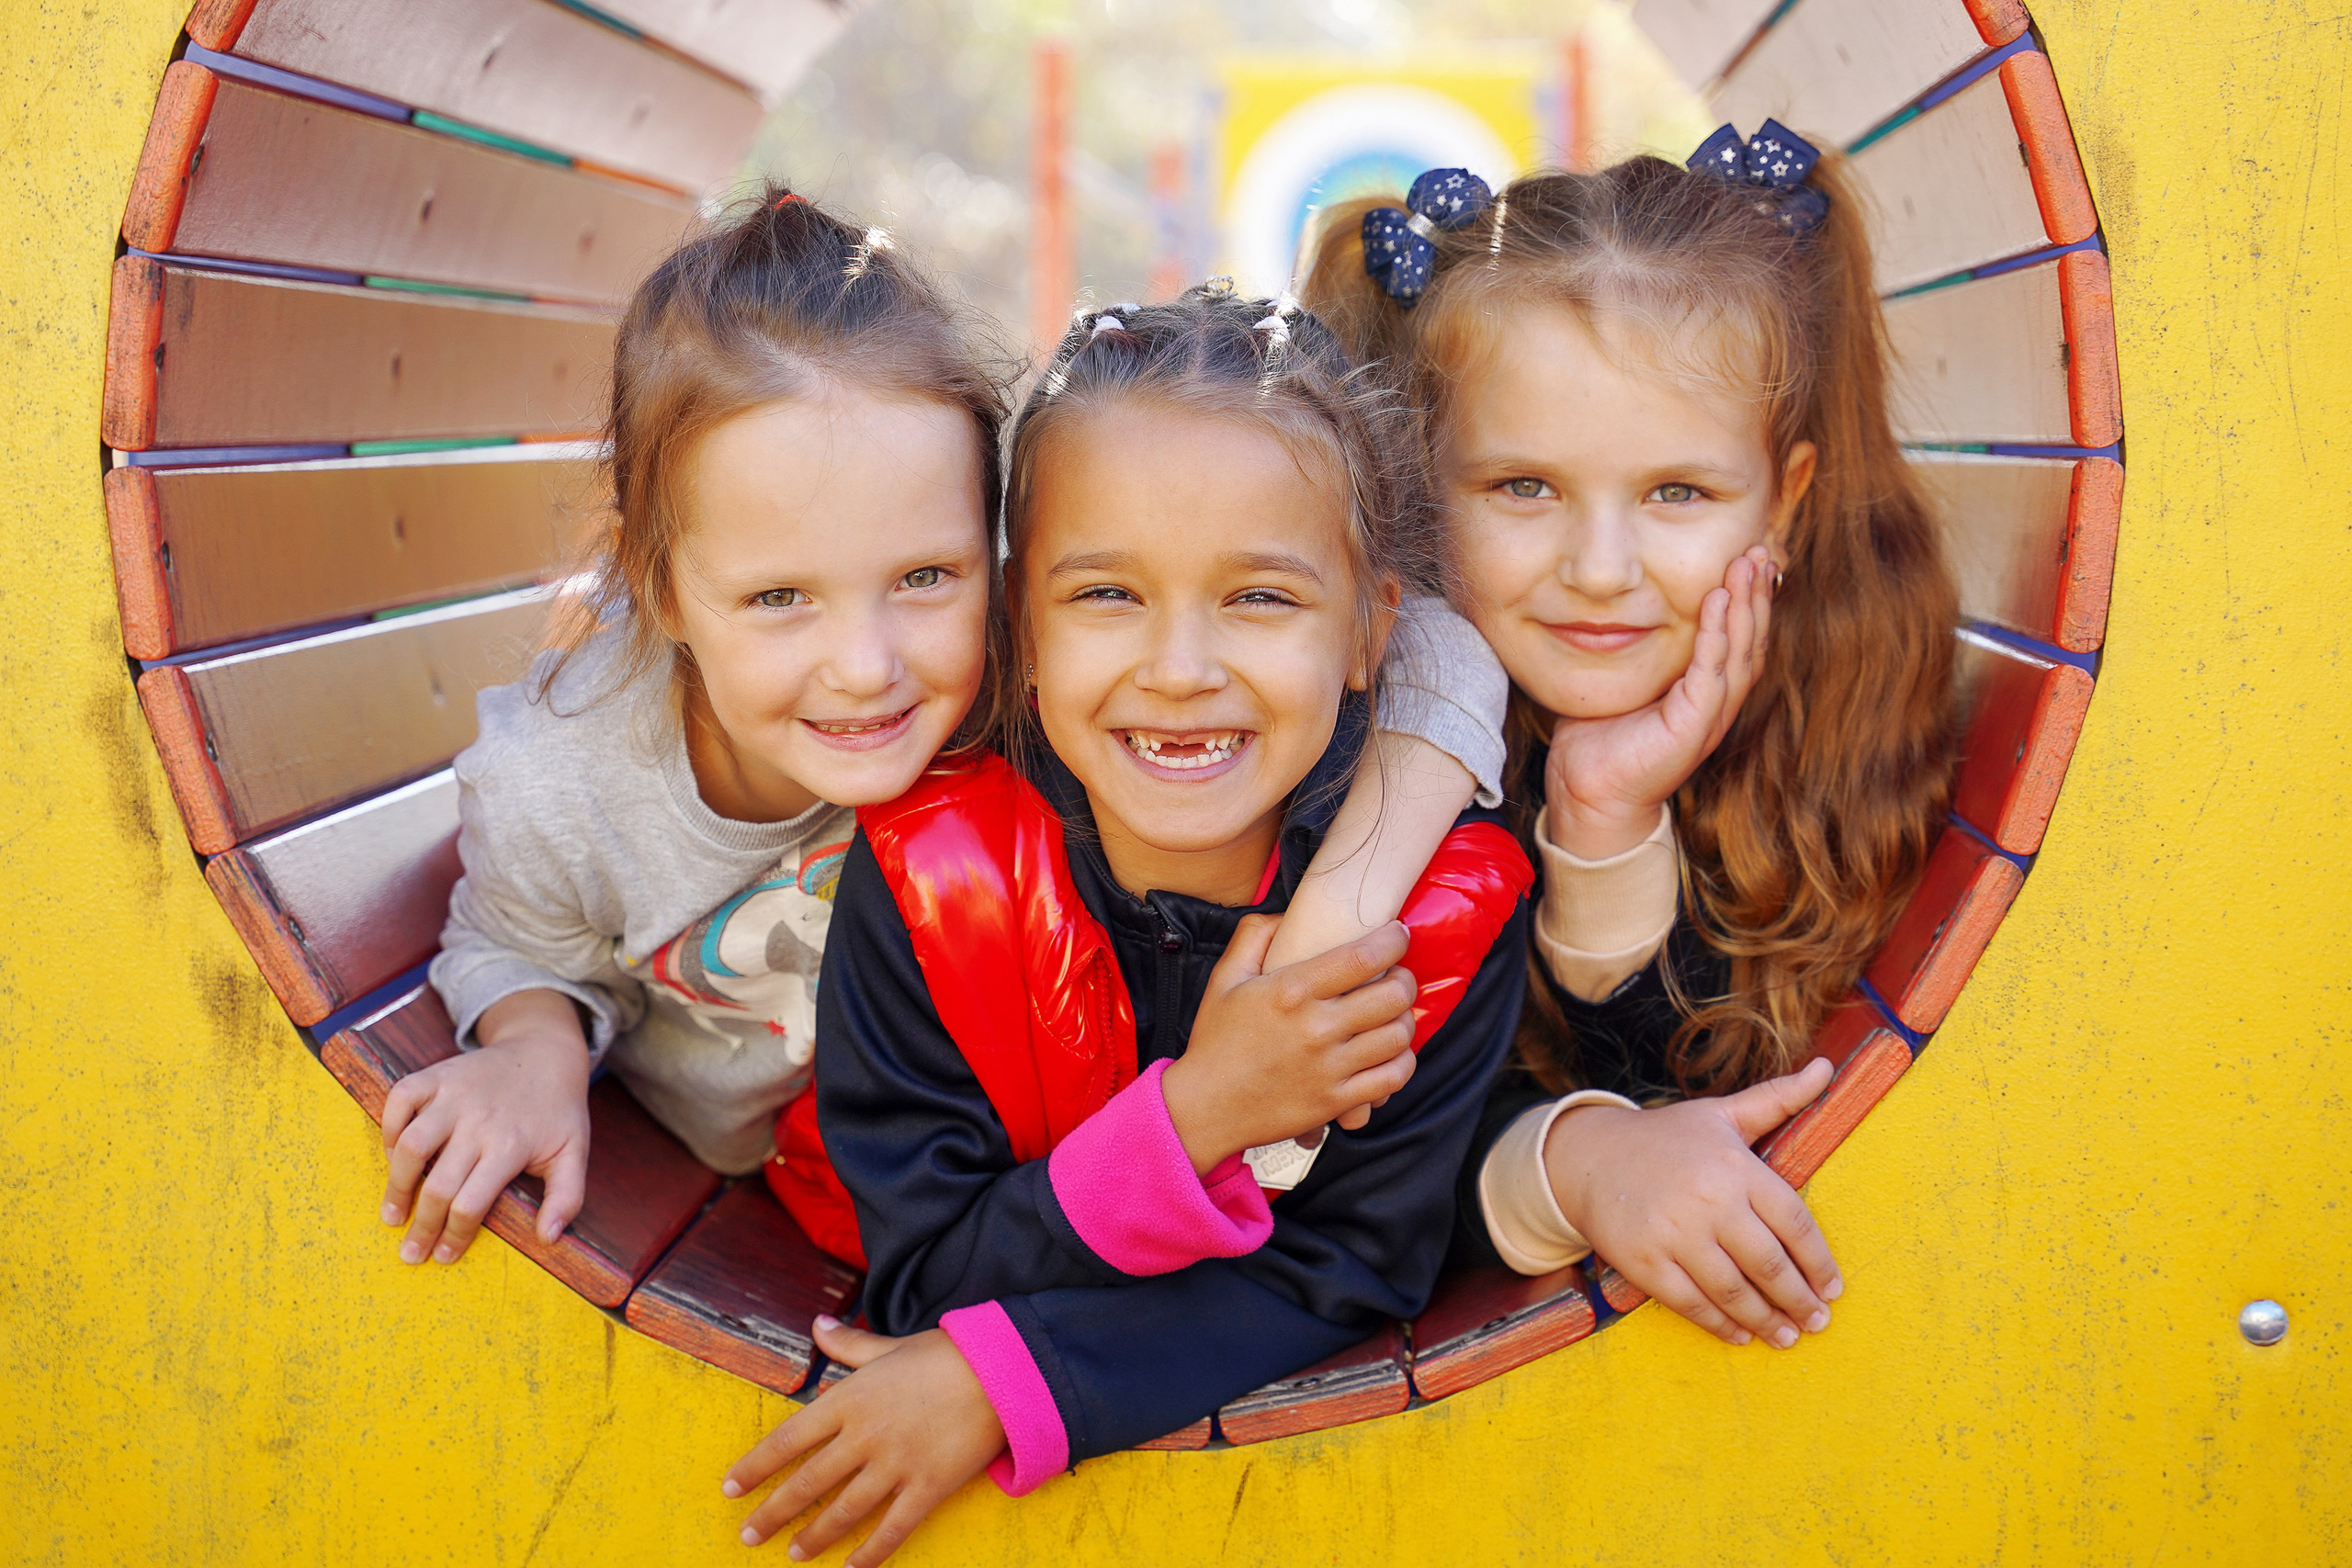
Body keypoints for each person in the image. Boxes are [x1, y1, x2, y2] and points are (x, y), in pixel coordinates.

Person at [379, 186, 1511, 1272]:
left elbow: (1431, 644)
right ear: (660, 587)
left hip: (956, 1157)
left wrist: (1342, 910)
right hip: (715, 1192)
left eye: (925, 575)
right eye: (779, 598)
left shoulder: (1023, 661)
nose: (868, 666)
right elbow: (510, 938)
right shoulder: (560, 777)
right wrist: (533, 1053)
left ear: (1000, 560)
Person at [723, 287, 1533, 1564]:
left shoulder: (1435, 916)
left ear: (1372, 628)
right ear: (1020, 624)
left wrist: (1009, 1377)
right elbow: (925, 1275)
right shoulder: (936, 871)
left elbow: (1358, 1269)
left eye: (1260, 599)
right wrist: (1206, 1112)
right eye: (1107, 594)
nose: (1179, 666)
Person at [1303, 130, 1958, 1351]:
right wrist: (1582, 1158)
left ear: (1789, 495)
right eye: (1524, 488)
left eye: (1677, 493)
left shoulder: (1842, 729)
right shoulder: (1368, 745)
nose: (1599, 572)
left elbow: (1734, 1097)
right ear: (1419, 484)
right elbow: (1346, 1177)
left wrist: (1605, 818)